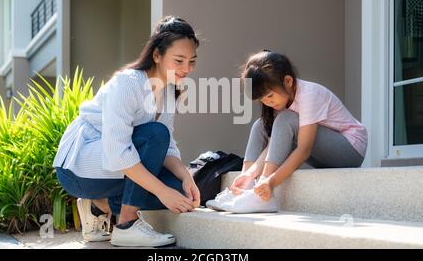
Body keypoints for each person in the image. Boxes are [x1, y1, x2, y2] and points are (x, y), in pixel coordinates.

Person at [53, 16, 201, 247]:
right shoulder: (127, 83)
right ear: (157, 55)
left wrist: (185, 176)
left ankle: (98, 205)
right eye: (179, 60)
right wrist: (160, 190)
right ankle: (126, 224)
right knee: (156, 136)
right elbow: (118, 152)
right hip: (79, 170)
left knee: (177, 191)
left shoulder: (170, 91)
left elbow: (168, 145)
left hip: (112, 170)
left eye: (192, 61)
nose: (186, 69)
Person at [207, 50, 367, 213]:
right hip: (324, 153)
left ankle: (261, 196)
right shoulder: (282, 101)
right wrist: (249, 174)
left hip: (350, 150)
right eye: (262, 99)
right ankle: (245, 189)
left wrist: (269, 182)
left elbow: (304, 150)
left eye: (269, 95)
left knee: (285, 120)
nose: (267, 102)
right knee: (260, 125)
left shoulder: (309, 95)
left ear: (288, 81)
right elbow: (273, 147)